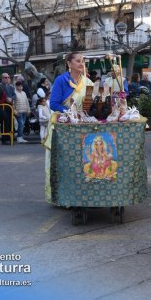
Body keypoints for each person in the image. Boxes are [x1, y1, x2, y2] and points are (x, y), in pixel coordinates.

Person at [45, 52, 94, 203]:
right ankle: (60, 196)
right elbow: (53, 104)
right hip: (63, 124)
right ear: (69, 63)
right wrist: (71, 113)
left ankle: (83, 193)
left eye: (83, 61)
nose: (81, 63)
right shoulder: (61, 80)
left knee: (82, 160)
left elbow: (89, 106)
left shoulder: (88, 82)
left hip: (81, 125)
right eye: (78, 61)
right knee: (62, 162)